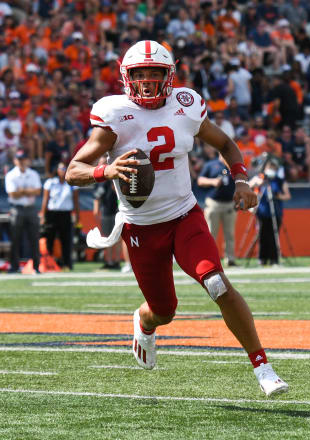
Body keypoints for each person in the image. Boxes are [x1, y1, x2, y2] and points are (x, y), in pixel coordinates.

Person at [65, 40, 288, 396]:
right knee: (164, 310)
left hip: (185, 215)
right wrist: (105, 172)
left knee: (216, 282)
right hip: (141, 228)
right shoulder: (113, 114)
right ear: (127, 77)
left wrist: (242, 180)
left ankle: (263, 366)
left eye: (156, 73)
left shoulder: (187, 105)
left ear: (170, 75)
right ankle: (144, 321)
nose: (148, 81)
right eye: (140, 74)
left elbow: (227, 144)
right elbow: (73, 170)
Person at [197, 146, 238, 266]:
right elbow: (200, 180)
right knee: (210, 233)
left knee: (229, 234)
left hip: (230, 203)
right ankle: (209, 260)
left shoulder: (232, 167)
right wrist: (213, 182)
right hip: (214, 203)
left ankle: (230, 259)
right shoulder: (211, 165)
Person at [248, 158, 291, 266]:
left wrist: (278, 196)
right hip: (262, 211)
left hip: (275, 211)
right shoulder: (259, 178)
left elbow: (287, 195)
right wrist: (258, 183)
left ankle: (274, 259)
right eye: (269, 167)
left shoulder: (279, 180)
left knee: (273, 235)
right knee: (262, 235)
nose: (271, 169)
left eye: (273, 167)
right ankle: (262, 259)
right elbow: (247, 186)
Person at [5, 150, 42, 273]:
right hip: (17, 208)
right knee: (15, 238)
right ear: (15, 160)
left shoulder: (33, 174)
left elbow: (37, 191)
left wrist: (22, 191)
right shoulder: (11, 175)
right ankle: (14, 266)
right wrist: (28, 191)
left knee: (34, 238)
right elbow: (12, 194)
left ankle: (36, 267)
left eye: (23, 159)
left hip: (30, 208)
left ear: (27, 160)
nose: (21, 161)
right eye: (19, 159)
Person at [41, 161, 79, 271]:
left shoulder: (72, 183)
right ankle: (49, 263)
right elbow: (45, 200)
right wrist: (43, 215)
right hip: (52, 214)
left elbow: (76, 201)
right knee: (50, 240)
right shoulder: (50, 183)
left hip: (66, 214)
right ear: (57, 170)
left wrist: (77, 216)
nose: (62, 171)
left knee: (66, 240)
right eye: (61, 168)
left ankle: (67, 264)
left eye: (64, 169)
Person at [93, 158, 122, 270]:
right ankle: (109, 261)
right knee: (107, 237)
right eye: (101, 163)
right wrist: (96, 211)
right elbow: (97, 197)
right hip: (106, 212)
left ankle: (117, 261)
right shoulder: (100, 181)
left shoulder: (113, 178)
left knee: (118, 237)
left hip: (116, 211)